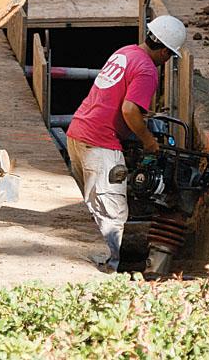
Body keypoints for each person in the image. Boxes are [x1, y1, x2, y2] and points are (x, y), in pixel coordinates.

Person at [67, 15, 186, 272]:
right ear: (165, 51)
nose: (167, 61)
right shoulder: (147, 70)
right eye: (169, 56)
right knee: (112, 215)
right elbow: (130, 110)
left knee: (92, 210)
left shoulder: (126, 52)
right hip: (101, 144)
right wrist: (149, 141)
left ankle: (81, 265)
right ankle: (106, 272)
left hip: (78, 133)